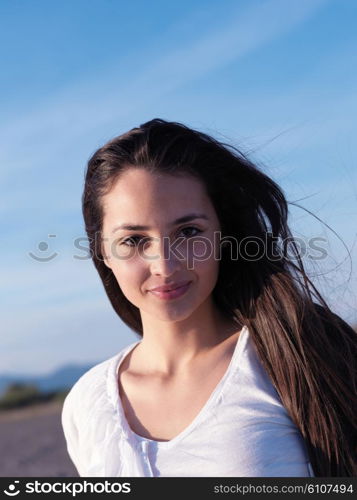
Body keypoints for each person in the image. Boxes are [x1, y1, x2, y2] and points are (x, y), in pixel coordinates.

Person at [61, 118, 356, 477]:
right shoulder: (86, 403)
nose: (165, 265)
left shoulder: (299, 357)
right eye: (134, 240)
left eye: (188, 232)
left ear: (223, 236)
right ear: (102, 252)